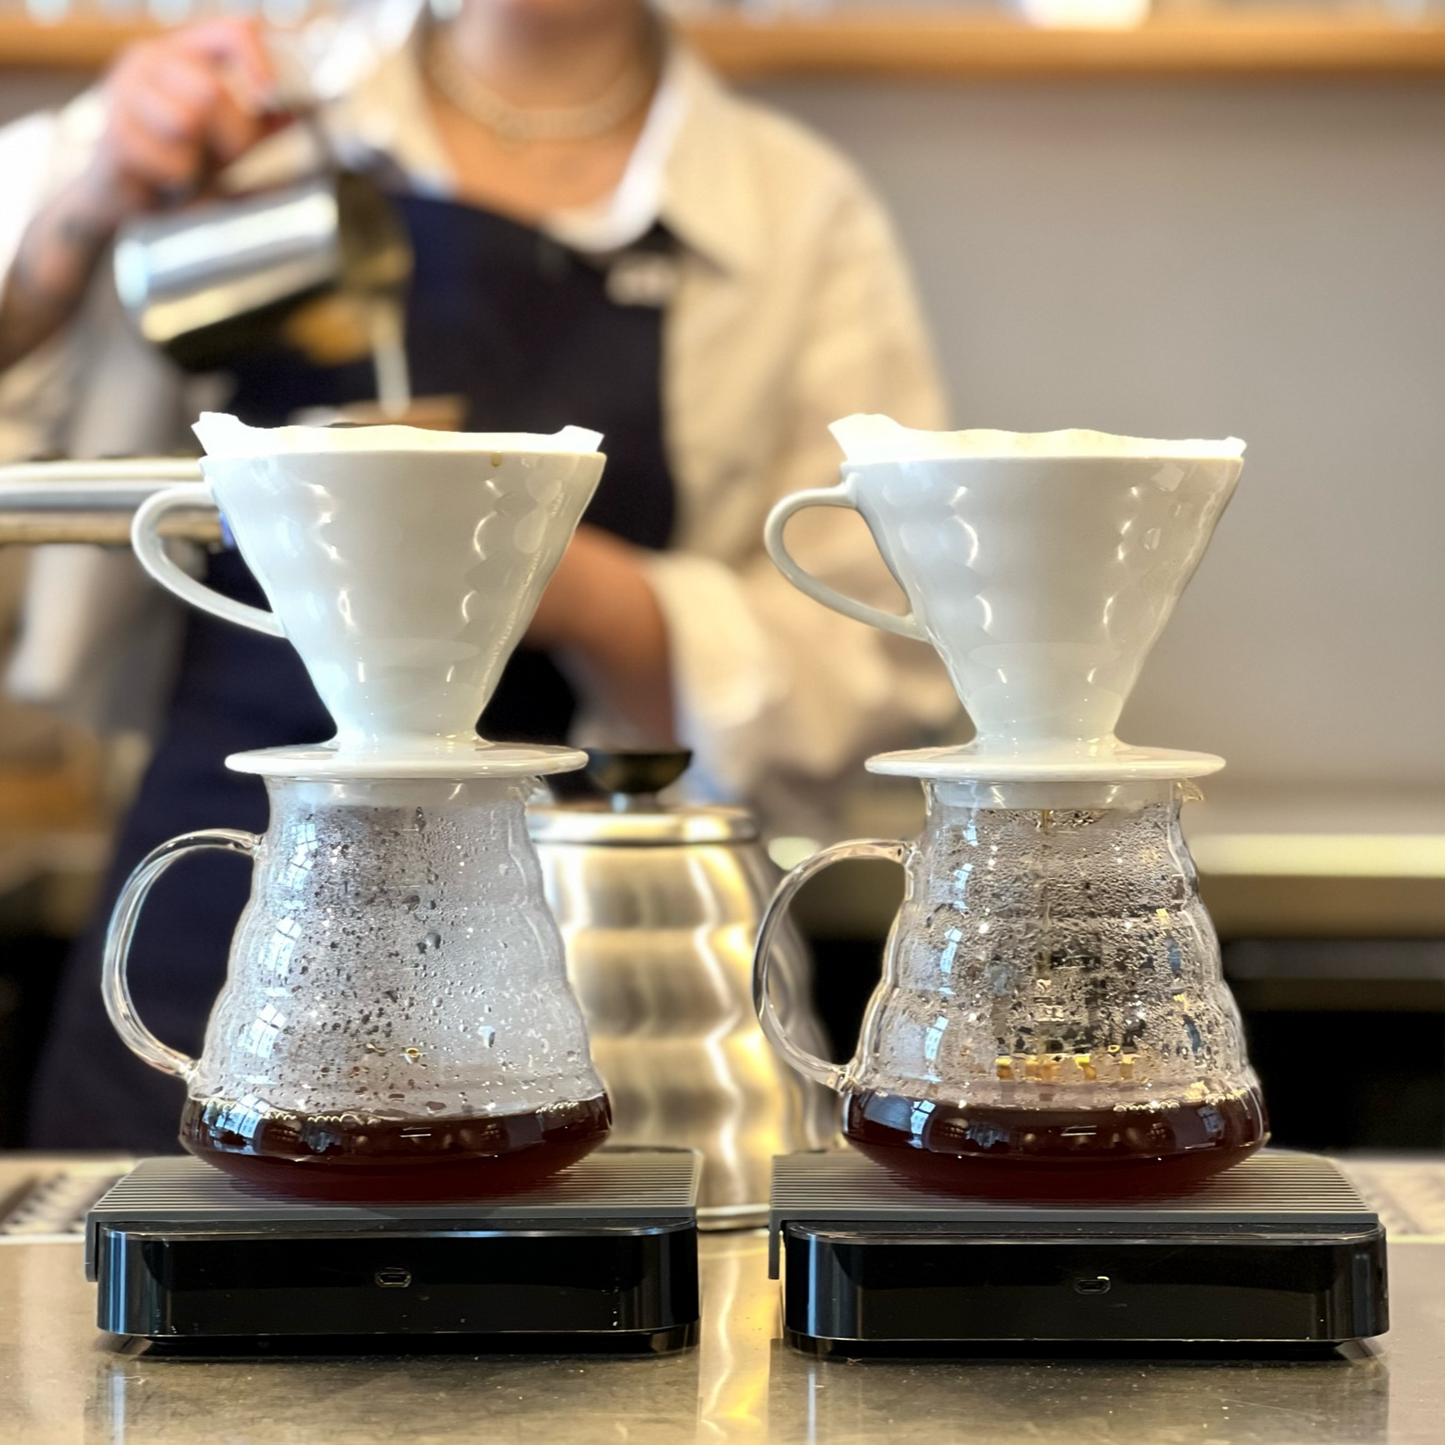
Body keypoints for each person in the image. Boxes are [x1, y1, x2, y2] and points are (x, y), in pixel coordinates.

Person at [0, 0, 955, 1151]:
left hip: (611, 967)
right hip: (217, 917)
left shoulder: (789, 209)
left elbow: (878, 655)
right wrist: (86, 207)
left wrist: (562, 580)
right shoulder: (239, 119)